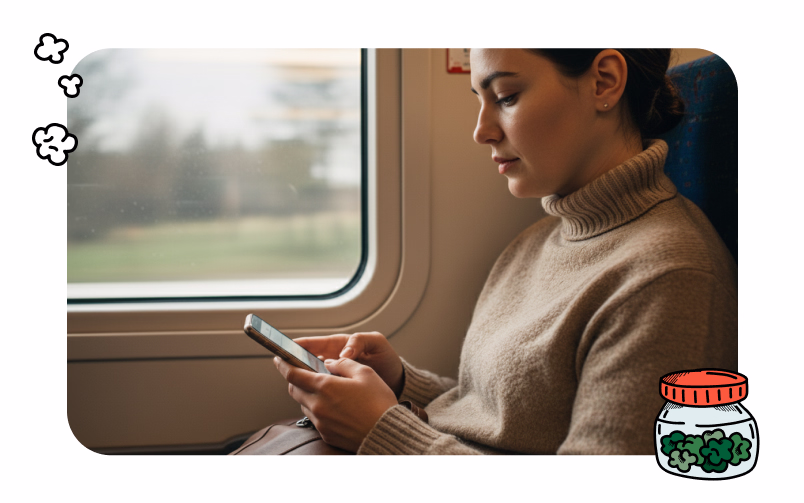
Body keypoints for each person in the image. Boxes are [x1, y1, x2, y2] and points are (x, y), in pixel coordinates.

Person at [272, 49, 737, 455]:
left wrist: (383, 430)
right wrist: (399, 384)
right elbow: (512, 421)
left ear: (604, 82)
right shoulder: (535, 242)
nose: (481, 131)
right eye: (480, 99)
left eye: (507, 97)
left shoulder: (669, 279)